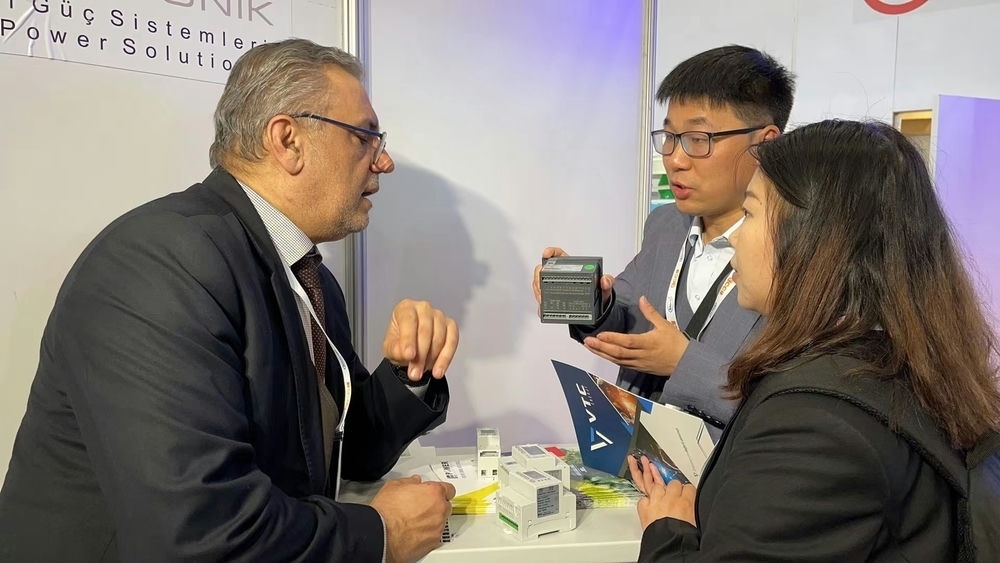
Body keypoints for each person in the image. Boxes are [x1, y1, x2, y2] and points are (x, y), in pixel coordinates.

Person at [0, 39, 460, 563]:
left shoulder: (309, 279)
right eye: (364, 137)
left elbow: (344, 453)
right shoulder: (159, 264)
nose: (384, 161)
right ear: (288, 140)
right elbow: (201, 533)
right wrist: (381, 535)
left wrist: (409, 374)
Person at [627, 119, 1000, 561]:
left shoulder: (813, 424)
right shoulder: (898, 363)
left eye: (750, 214)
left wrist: (670, 531)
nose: (736, 240)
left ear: (812, 238)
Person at [532, 45, 795, 430]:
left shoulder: (801, 251)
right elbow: (629, 317)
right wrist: (593, 300)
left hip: (728, 461)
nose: (675, 159)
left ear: (764, 144)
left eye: (698, 139)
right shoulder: (666, 223)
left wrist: (683, 363)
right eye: (669, 137)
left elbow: (791, 403)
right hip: (639, 451)